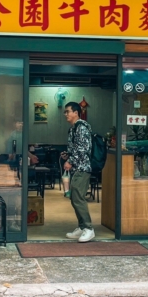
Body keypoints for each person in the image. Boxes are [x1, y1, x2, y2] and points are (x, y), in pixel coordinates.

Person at [62, 101, 94, 242]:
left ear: (76, 112)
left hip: (82, 168)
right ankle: (82, 227)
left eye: (68, 111)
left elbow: (83, 149)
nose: (66, 114)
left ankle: (88, 228)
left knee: (78, 198)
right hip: (76, 167)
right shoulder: (73, 129)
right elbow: (75, 148)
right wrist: (67, 155)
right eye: (65, 112)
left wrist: (70, 161)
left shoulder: (81, 128)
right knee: (74, 197)